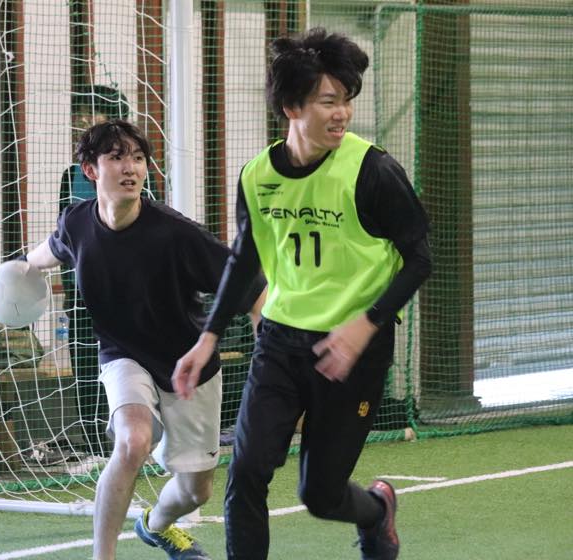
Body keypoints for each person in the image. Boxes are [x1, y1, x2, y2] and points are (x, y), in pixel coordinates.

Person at [173, 28, 432, 560]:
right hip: (280, 342)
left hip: (353, 351)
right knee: (246, 471)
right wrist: (209, 337)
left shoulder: (374, 171)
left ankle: (376, 512)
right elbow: (245, 260)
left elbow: (420, 259)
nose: (342, 114)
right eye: (328, 102)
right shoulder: (257, 176)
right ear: (292, 107)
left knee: (320, 494)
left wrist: (366, 323)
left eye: (347, 101)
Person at [24, 119, 265, 560]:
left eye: (137, 158)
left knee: (196, 491)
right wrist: (19, 271)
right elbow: (49, 251)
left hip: (188, 365)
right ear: (91, 170)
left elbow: (251, 284)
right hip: (123, 355)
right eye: (116, 158)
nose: (131, 168)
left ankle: (156, 526)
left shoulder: (176, 234)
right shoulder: (77, 222)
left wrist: (267, 346)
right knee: (133, 441)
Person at [60, 85, 131, 457]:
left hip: (128, 290)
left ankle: (130, 437)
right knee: (86, 366)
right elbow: (64, 235)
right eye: (78, 114)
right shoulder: (71, 175)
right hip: (82, 292)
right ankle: (91, 440)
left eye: (91, 114)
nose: (82, 121)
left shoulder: (137, 172)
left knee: (127, 366)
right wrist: (70, 290)